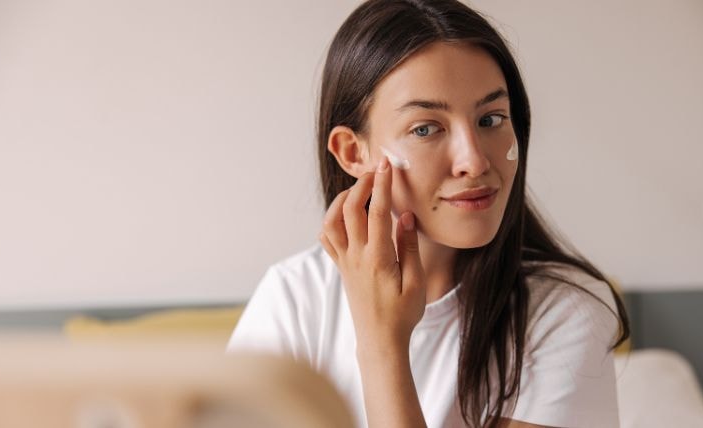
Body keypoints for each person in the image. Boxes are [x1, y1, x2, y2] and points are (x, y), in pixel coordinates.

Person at [227, 0, 630, 427]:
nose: (474, 162)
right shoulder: (294, 297)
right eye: (425, 128)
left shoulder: (563, 309)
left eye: (491, 119)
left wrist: (383, 346)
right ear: (352, 152)